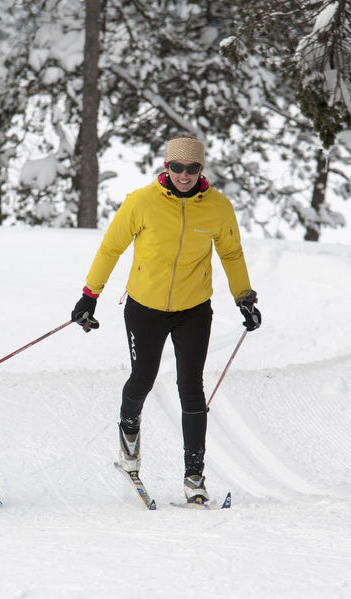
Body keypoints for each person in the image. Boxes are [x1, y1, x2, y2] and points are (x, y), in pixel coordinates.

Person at [70, 135, 261, 504]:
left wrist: (245, 298)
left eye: (192, 168)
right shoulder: (141, 202)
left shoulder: (218, 208)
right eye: (177, 167)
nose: (184, 175)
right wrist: (89, 296)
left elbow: (232, 254)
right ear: (166, 166)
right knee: (143, 377)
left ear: (201, 169)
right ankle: (129, 441)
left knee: (191, 385)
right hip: (145, 307)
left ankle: (194, 476)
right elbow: (111, 247)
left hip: (193, 309)